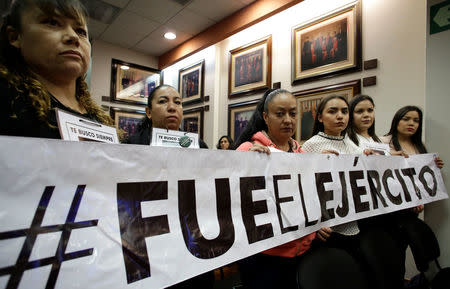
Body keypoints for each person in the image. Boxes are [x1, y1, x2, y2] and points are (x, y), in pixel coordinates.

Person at [234, 89, 316, 289]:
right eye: (280, 114)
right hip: (264, 255)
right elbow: (231, 200)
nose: (288, 120)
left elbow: (310, 198)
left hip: (301, 251)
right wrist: (247, 164)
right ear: (265, 117)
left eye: (293, 113)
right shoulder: (247, 149)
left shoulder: (302, 153)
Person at [0, 0, 112, 139]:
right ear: (15, 36)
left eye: (81, 31)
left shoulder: (102, 120)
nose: (73, 37)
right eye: (52, 22)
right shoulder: (7, 102)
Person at [126, 84, 207, 148]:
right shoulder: (131, 145)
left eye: (177, 102)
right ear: (149, 112)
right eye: (163, 101)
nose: (172, 107)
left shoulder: (198, 145)